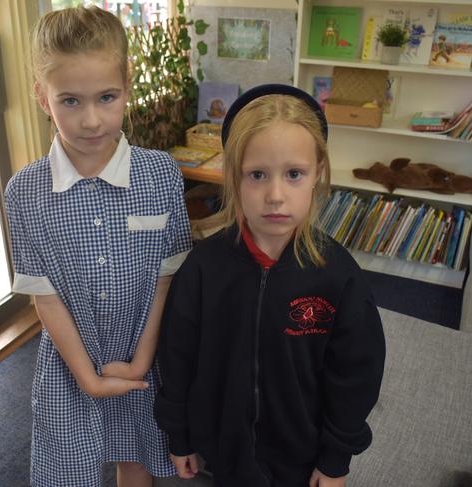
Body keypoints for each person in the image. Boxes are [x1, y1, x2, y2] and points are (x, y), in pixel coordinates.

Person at [154, 84, 386, 487]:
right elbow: (177, 358)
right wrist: (180, 435)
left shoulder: (338, 275)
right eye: (257, 174)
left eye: (294, 174)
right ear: (234, 177)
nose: (275, 195)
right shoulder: (203, 268)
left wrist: (336, 457)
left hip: (303, 456)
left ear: (317, 175)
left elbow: (356, 374)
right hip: (221, 450)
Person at [4, 6, 192, 487]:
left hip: (144, 351)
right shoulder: (24, 193)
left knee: (137, 455)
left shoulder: (162, 175)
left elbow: (167, 279)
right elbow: (44, 295)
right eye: (70, 101)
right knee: (71, 465)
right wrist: (86, 376)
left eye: (107, 97)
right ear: (42, 98)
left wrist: (142, 361)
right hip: (69, 362)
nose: (91, 121)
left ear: (127, 85)